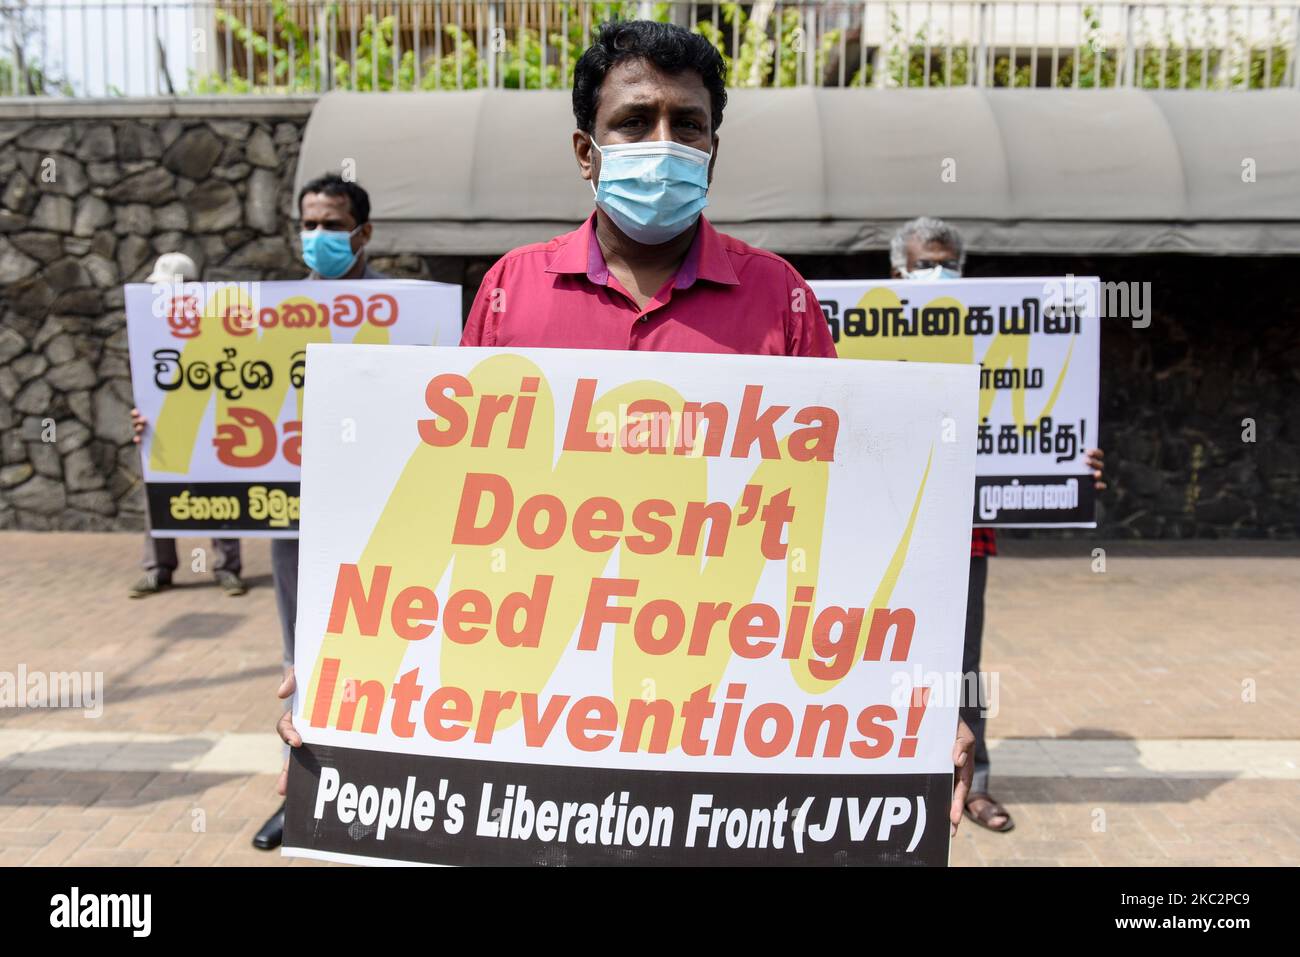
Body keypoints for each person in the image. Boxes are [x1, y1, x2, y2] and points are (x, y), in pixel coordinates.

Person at [274, 21, 979, 844]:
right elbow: (458, 495)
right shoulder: (510, 291)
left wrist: (912, 696)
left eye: (689, 124)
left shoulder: (779, 296)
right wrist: (343, 662)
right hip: (539, 703)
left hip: (725, 705)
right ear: (586, 149)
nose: (664, 141)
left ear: (715, 147)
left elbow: (845, 513)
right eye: (634, 121)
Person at [889, 216, 1107, 833]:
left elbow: (1036, 420)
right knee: (878, 649)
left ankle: (972, 782)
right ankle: (886, 775)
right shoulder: (865, 337)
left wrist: (1070, 466)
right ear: (895, 273)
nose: (939, 273)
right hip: (882, 530)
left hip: (966, 534)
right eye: (926, 262)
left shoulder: (996, 341)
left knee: (964, 662)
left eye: (949, 263)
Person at [252, 173, 384, 851]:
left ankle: (374, 792)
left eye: (332, 224)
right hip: (296, 519)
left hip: (375, 515)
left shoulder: (399, 313)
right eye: (308, 224)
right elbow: (224, 397)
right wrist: (157, 427)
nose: (318, 237)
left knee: (374, 649)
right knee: (298, 654)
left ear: (364, 232)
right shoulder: (276, 314)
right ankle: (299, 796)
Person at [129, 252, 244, 599]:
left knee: (219, 493)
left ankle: (227, 567)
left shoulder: (221, 326)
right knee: (158, 493)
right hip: (164, 425)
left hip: (211, 423)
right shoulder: (149, 327)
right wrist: (141, 413)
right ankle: (158, 568)